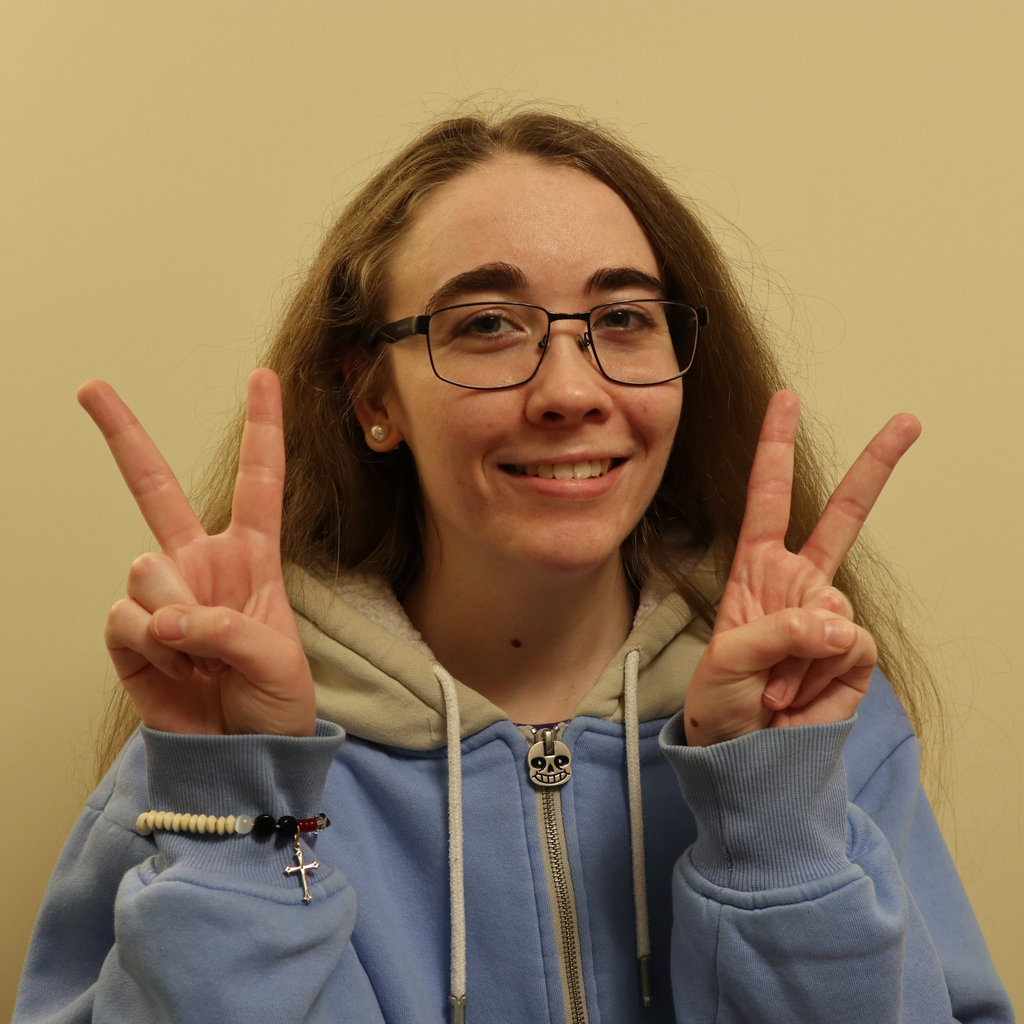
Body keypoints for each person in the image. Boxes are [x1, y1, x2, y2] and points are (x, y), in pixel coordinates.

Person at [15, 110, 1013, 1023]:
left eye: (623, 318)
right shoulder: (217, 741)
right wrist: (245, 809)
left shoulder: (811, 718)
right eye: (487, 324)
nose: (570, 391)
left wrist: (771, 811)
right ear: (373, 398)